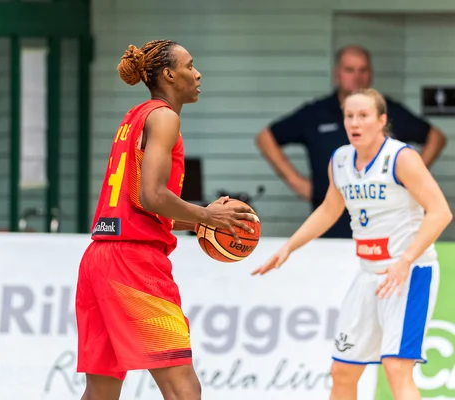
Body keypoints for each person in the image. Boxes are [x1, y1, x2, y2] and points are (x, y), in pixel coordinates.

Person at [75, 40, 256, 400]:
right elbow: (152, 196)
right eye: (190, 65)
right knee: (183, 389)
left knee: (101, 391)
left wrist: (206, 222)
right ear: (170, 74)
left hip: (100, 257)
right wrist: (206, 213)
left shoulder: (135, 117)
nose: (198, 73)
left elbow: (141, 205)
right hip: (132, 264)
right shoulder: (165, 117)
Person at [252, 88, 452, 400]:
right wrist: (289, 246)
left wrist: (405, 261)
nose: (354, 122)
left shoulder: (401, 158)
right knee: (342, 371)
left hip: (409, 273)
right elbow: (330, 210)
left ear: (381, 120)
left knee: (397, 368)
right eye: (349, 116)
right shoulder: (341, 160)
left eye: (363, 116)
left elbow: (440, 212)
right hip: (368, 275)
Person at [255, 44, 447, 239]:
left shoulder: (388, 111)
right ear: (337, 73)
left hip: (384, 226)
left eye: (363, 70)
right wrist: (296, 182)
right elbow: (266, 137)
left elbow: (436, 138)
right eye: (349, 70)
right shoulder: (317, 114)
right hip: (332, 225)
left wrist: (411, 177)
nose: (357, 76)